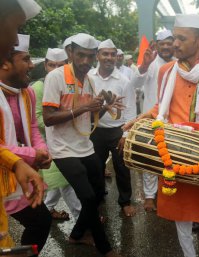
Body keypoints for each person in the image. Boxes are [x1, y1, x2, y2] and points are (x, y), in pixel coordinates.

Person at [123, 14, 199, 257]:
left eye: (180, 38)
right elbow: (159, 109)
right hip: (175, 152)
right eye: (174, 37)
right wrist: (140, 118)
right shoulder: (166, 71)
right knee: (181, 213)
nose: (174, 43)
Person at [42, 33, 122, 257]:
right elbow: (48, 118)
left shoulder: (89, 80)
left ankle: (76, 235)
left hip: (84, 145)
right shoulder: (56, 77)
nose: (86, 62)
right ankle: (105, 247)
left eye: (89, 57)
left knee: (98, 193)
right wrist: (82, 109)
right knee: (87, 197)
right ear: (70, 53)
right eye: (81, 56)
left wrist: (106, 105)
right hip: (62, 148)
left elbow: (92, 115)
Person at [0, 34, 52, 255]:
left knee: (40, 221)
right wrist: (31, 154)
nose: (32, 65)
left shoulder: (27, 92)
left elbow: (31, 127)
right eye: (26, 59)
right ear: (5, 62)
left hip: (17, 169)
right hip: (6, 172)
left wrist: (42, 150)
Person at [88, 39, 136, 217]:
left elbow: (131, 108)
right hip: (95, 130)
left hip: (118, 130)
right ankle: (98, 200)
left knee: (122, 167)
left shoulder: (124, 80)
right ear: (98, 56)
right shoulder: (89, 77)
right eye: (105, 54)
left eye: (112, 54)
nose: (109, 57)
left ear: (116, 57)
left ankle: (125, 201)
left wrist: (126, 134)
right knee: (96, 168)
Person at [128, 29, 175, 211]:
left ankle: (169, 191)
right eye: (162, 44)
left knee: (172, 156)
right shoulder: (151, 63)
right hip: (152, 117)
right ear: (157, 45)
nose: (165, 47)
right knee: (150, 156)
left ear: (174, 44)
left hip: (174, 118)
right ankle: (149, 196)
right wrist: (144, 66)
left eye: (168, 43)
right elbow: (135, 85)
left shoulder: (180, 63)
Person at [33, 48, 81, 221]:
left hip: (68, 141)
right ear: (45, 66)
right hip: (47, 142)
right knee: (66, 182)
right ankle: (82, 219)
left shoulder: (71, 84)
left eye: (60, 65)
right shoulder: (38, 87)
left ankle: (48, 209)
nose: (55, 69)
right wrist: (64, 120)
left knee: (58, 182)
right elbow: (38, 119)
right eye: (52, 65)